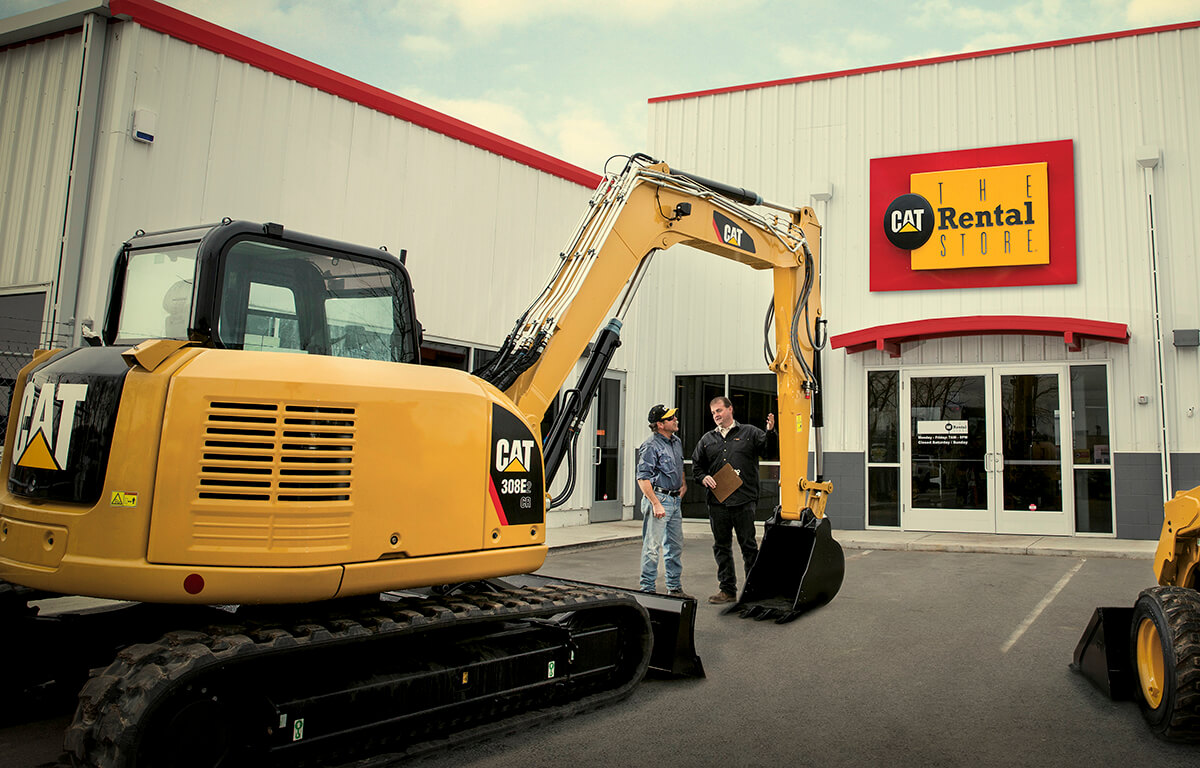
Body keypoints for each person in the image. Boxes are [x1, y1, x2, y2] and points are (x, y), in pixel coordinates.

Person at [691, 396, 777, 604]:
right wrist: (704, 478)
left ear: (730, 409)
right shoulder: (707, 439)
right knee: (721, 547)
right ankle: (727, 591)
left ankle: (753, 591)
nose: (716, 415)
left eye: (719, 410)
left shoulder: (750, 433)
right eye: (713, 413)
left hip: (743, 500)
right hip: (717, 503)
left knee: (748, 546)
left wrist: (771, 432)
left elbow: (769, 452)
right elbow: (696, 468)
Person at [635, 404, 690, 598]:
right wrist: (656, 503)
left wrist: (682, 484)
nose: (675, 419)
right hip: (659, 499)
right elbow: (642, 478)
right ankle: (648, 590)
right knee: (652, 548)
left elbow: (679, 464)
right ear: (659, 424)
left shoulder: (676, 442)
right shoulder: (650, 446)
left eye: (674, 416)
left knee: (674, 547)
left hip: (674, 500)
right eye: (670, 418)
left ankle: (674, 588)